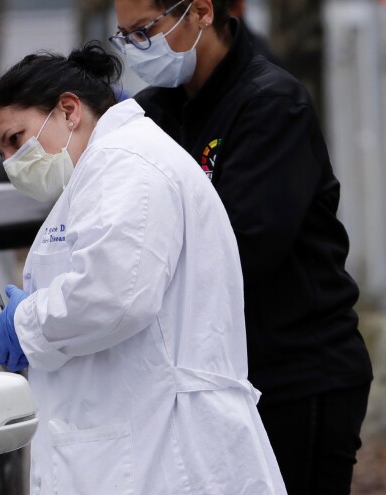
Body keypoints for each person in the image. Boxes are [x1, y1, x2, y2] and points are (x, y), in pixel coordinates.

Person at [0, 42, 285, 494]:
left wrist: (27, 323)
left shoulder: (127, 165)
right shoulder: (107, 167)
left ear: (68, 110)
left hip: (167, 455)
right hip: (143, 444)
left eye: (16, 139)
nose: (11, 163)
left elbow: (113, 297)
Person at [110, 0, 373, 492]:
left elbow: (241, 247)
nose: (136, 49)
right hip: (216, 378)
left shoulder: (271, 103)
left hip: (297, 374)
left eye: (145, 31)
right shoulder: (152, 114)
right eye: (125, 37)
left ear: (201, 12)